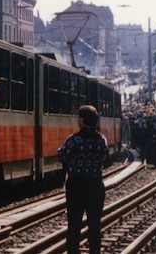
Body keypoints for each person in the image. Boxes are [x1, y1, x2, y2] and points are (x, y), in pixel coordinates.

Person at [58, 105, 108, 254]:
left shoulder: (74, 140)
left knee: (74, 226)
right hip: (95, 186)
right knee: (94, 226)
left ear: (81, 120)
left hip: (76, 187)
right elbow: (103, 156)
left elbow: (61, 156)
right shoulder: (101, 140)